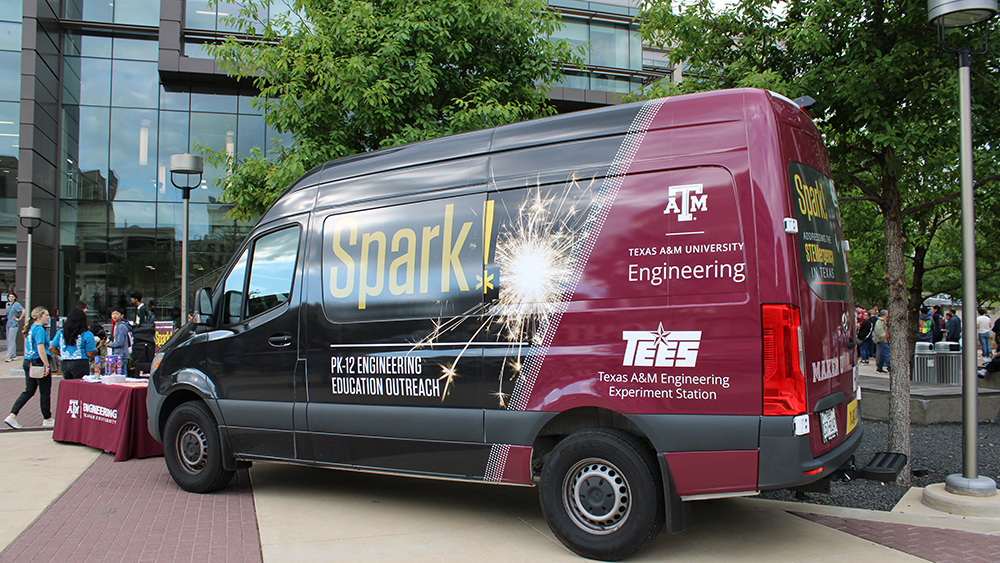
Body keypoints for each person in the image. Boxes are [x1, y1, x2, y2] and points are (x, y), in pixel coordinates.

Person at [3, 307, 53, 429]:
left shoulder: (32, 328)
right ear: (40, 316)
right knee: (45, 391)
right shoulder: (40, 330)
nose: (48, 317)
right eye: (46, 315)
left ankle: (13, 414)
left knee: (29, 390)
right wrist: (46, 364)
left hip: (28, 360)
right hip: (38, 361)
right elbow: (40, 348)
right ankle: (47, 418)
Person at [48, 309, 97, 380]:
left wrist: (61, 353)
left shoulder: (61, 333)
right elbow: (90, 353)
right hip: (80, 362)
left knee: (69, 385)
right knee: (80, 386)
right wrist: (96, 350)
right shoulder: (87, 334)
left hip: (64, 362)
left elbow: (52, 348)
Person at [5, 292, 23, 362]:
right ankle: (13, 355)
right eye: (9, 297)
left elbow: (23, 310)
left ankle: (9, 356)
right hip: (8, 323)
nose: (10, 298)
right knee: (9, 339)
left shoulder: (16, 304)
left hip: (14, 324)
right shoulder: (8, 304)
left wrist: (19, 318)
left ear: (15, 297)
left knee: (11, 340)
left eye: (12, 297)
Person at [873, 309, 890, 373]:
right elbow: (879, 331)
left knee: (882, 354)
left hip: (883, 339)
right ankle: (890, 366)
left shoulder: (883, 321)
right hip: (882, 340)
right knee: (886, 353)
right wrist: (884, 338)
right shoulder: (880, 321)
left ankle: (879, 367)